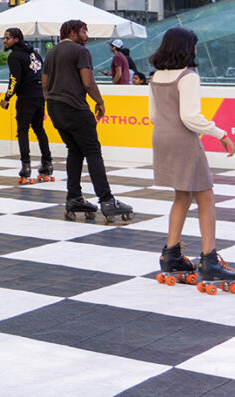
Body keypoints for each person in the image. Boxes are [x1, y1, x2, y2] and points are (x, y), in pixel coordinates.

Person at [149, 28, 235, 287]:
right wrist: (221, 134)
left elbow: (153, 115)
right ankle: (209, 261)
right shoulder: (188, 77)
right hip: (183, 139)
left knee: (181, 195)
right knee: (206, 196)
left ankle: (171, 255)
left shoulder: (155, 77)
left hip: (161, 137)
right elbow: (190, 117)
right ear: (187, 47)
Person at [43, 20, 133, 222]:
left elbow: (45, 83)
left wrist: (52, 102)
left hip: (56, 108)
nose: (87, 35)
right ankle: (107, 200)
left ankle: (74, 197)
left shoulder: (51, 53)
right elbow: (88, 82)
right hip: (76, 108)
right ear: (72, 32)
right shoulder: (80, 52)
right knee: (93, 152)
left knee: (74, 150)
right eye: (84, 31)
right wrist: (99, 101)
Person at [0, 28, 53, 184]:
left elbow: (15, 79)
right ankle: (47, 164)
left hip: (26, 97)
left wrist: (7, 98)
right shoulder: (34, 53)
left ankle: (26, 166)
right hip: (39, 95)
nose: (5, 41)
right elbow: (43, 74)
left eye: (7, 38)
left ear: (16, 39)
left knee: (23, 130)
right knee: (39, 128)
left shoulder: (14, 56)